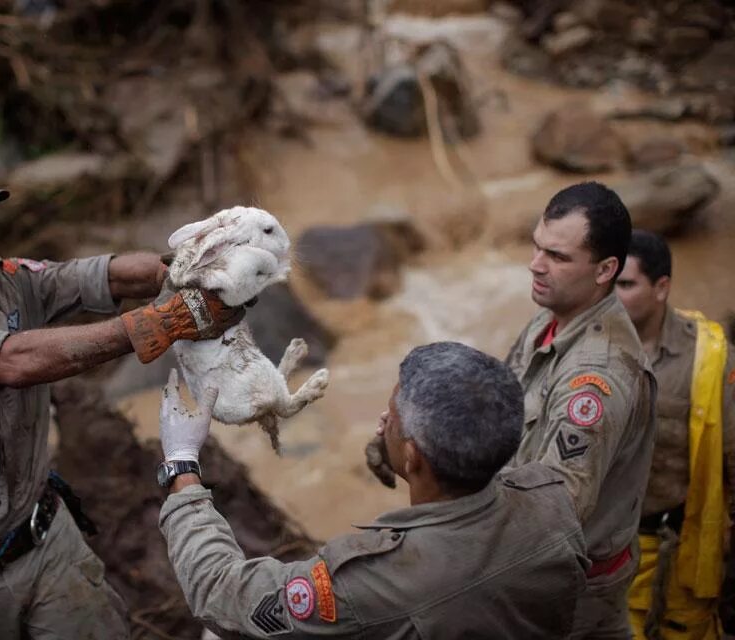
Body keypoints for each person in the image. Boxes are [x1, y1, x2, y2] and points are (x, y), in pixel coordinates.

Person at [0, 163, 244, 640]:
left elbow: (100, 277)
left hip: (48, 540)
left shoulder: (7, 282)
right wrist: (166, 322)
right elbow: (15, 361)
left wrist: (190, 268)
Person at [157, 341, 589, 638]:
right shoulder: (552, 498)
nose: (383, 418)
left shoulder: (370, 583)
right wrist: (393, 453)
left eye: (394, 415)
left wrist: (181, 464)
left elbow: (219, 590)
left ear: (415, 456)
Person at [503, 181, 657, 639]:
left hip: (567, 595)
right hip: (536, 572)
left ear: (606, 269)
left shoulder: (598, 377)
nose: (536, 265)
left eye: (558, 256)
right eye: (537, 247)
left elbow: (557, 511)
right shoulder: (555, 313)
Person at [616, 230, 735, 639]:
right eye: (608, 282)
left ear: (661, 287)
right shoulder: (587, 347)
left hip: (685, 547)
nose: (613, 296)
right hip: (607, 552)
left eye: (626, 285)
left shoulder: (711, 359)